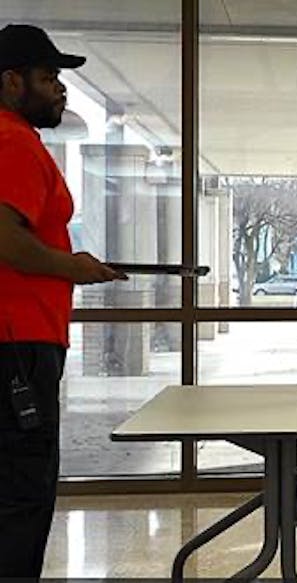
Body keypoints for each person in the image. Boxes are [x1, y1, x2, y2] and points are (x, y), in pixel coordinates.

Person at [0, 24, 126, 579]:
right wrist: (71, 268)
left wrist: (69, 265)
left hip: (21, 343)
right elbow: (6, 240)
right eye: (48, 77)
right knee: (21, 496)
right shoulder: (12, 141)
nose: (61, 89)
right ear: (10, 81)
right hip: (16, 346)